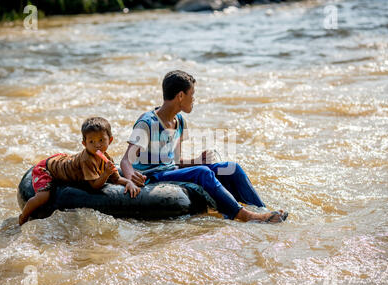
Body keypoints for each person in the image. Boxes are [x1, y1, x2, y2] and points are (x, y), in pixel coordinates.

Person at [120, 70, 288, 223]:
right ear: (180, 96)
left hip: (169, 171)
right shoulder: (147, 122)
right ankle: (246, 216)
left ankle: (264, 211)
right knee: (203, 172)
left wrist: (197, 160)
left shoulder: (180, 121)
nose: (194, 99)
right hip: (152, 176)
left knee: (232, 168)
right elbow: (126, 160)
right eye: (192, 94)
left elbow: (175, 161)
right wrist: (130, 180)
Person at [19, 116, 141, 225]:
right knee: (44, 196)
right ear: (84, 143)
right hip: (47, 168)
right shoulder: (87, 160)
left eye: (101, 140)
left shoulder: (107, 158)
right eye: (91, 141)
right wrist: (105, 174)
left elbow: (116, 179)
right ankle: (23, 216)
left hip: (65, 162)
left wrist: (128, 182)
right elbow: (94, 186)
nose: (97, 145)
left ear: (110, 140)